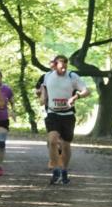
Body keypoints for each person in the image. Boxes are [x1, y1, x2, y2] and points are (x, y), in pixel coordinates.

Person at [39, 54, 90, 185]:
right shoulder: (48, 76)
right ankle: (56, 169)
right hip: (53, 113)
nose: (64, 69)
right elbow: (43, 88)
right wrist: (43, 97)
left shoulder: (72, 76)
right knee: (52, 140)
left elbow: (86, 91)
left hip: (67, 115)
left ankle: (64, 170)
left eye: (65, 66)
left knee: (66, 145)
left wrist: (76, 97)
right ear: (55, 65)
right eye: (61, 66)